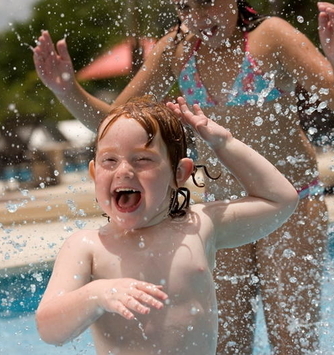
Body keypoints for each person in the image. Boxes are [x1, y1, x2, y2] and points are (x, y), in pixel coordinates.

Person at [32, 1, 334, 353]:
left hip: (291, 201)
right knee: (227, 344)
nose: (198, 16)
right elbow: (118, 125)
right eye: (186, 6)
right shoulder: (177, 48)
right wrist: (67, 91)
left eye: (207, 2)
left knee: (292, 342)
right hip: (221, 210)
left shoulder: (271, 37)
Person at [35, 96, 298, 355]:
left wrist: (224, 142)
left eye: (142, 159)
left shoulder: (199, 226)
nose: (124, 171)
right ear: (94, 173)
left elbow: (280, 200)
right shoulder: (87, 246)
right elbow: (49, 329)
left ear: (179, 173)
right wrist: (97, 294)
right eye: (110, 160)